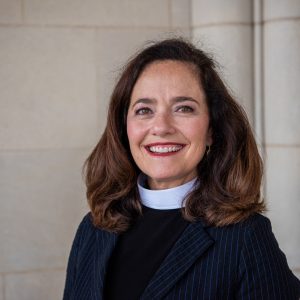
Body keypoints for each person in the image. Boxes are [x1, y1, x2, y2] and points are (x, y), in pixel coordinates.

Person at [63, 38, 300, 300]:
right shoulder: (93, 229)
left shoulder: (246, 238)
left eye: (184, 108)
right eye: (144, 110)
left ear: (211, 129)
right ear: (124, 128)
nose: (162, 127)